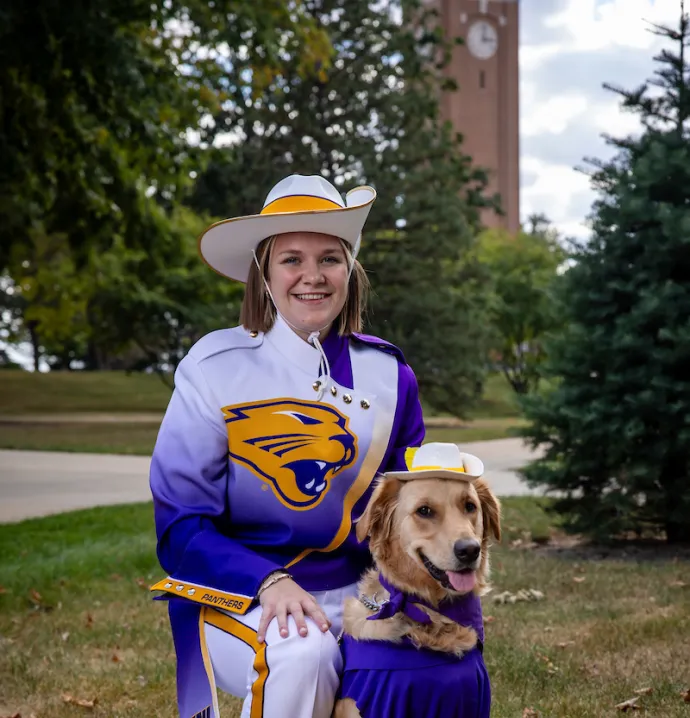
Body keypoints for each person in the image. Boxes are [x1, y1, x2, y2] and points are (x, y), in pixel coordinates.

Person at [149, 174, 425, 718]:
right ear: (264, 275)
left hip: (357, 589)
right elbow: (180, 526)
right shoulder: (212, 370)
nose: (312, 276)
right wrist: (267, 580)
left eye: (329, 258)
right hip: (241, 593)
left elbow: (407, 513)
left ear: (350, 270)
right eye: (292, 259)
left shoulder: (391, 375)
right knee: (303, 652)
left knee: (429, 663)